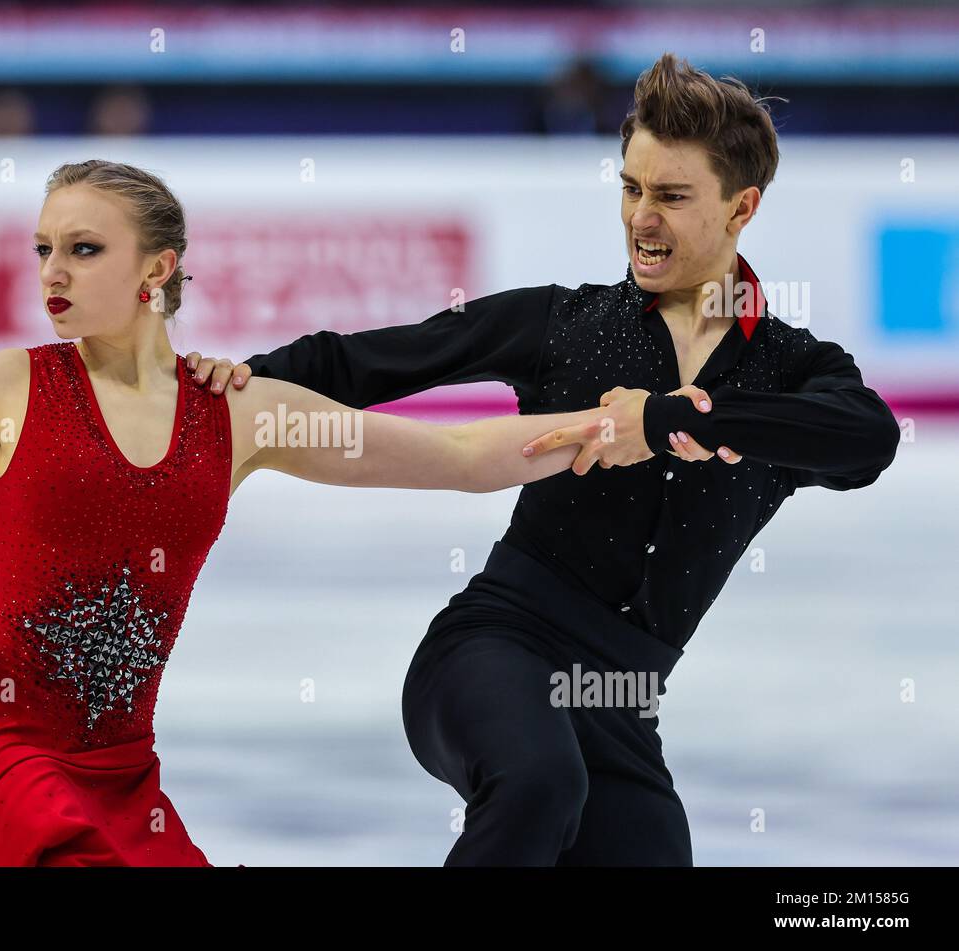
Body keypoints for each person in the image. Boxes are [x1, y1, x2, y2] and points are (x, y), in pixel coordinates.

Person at [0, 158, 705, 867]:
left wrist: (631, 423)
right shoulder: (9, 387)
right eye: (43, 249)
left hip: (120, 775)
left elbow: (461, 458)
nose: (52, 271)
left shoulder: (238, 412)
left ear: (158, 268)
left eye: (83, 248)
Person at [186, 53, 901, 865]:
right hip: (493, 652)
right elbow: (372, 361)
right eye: (630, 189)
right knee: (538, 784)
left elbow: (864, 439)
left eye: (670, 196)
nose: (641, 218)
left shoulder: (795, 370)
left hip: (621, 703)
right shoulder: (570, 325)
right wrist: (231, 380)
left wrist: (667, 417)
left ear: (742, 208)